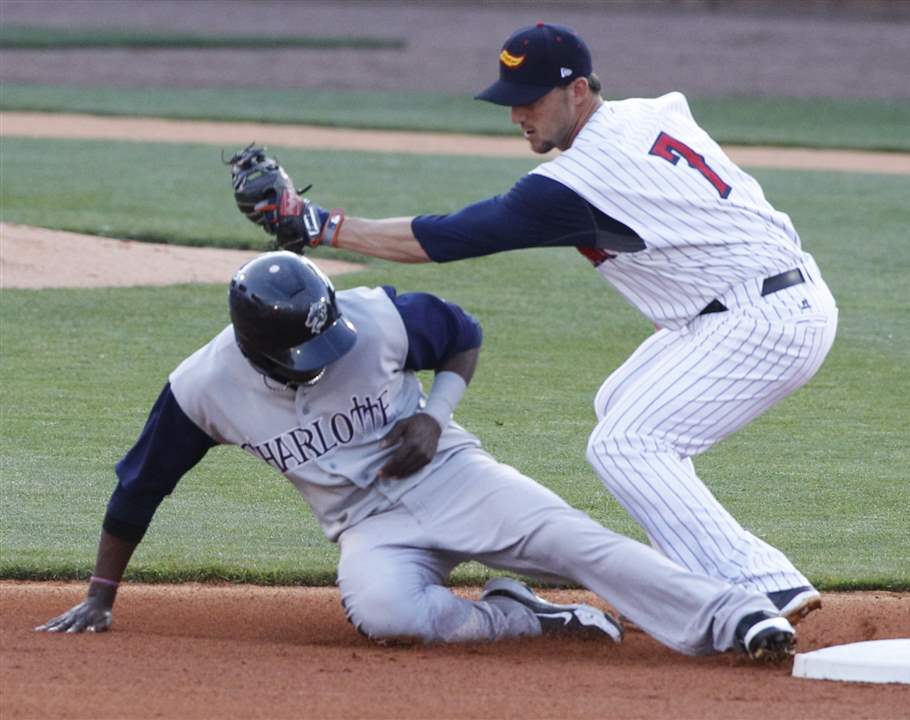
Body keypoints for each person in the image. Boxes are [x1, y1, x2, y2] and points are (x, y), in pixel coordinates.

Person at [233, 23, 838, 625]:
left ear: (577, 91)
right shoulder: (655, 114)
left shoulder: (579, 180)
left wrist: (315, 223)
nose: (517, 114)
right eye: (510, 99)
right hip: (754, 301)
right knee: (619, 401)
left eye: (530, 99)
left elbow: (444, 238)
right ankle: (701, 576)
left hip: (762, 321)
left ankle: (761, 584)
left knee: (627, 444)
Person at [36, 251, 797, 662]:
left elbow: (461, 332)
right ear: (254, 347)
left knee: (574, 542)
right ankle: (522, 618)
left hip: (452, 477)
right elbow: (141, 487)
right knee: (389, 615)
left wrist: (436, 415)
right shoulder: (203, 389)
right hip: (368, 527)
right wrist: (102, 594)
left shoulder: (374, 316)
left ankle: (735, 618)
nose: (324, 356)